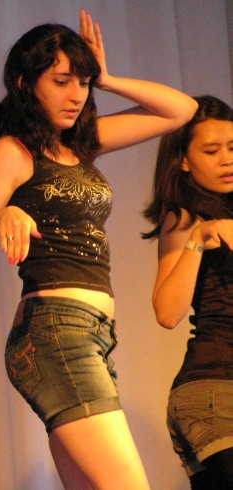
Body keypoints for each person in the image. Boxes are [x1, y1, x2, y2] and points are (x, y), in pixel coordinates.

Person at [0, 9, 197, 490]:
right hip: (55, 332)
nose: (77, 94)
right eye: (61, 81)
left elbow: (180, 110)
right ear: (26, 83)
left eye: (82, 82)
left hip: (93, 335)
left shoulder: (80, 146)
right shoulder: (11, 152)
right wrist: (0, 218)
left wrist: (109, 78)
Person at [143, 95, 233, 490]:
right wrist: (197, 238)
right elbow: (167, 312)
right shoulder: (184, 218)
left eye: (232, 148)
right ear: (183, 160)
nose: (226, 160)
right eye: (211, 151)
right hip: (216, 392)